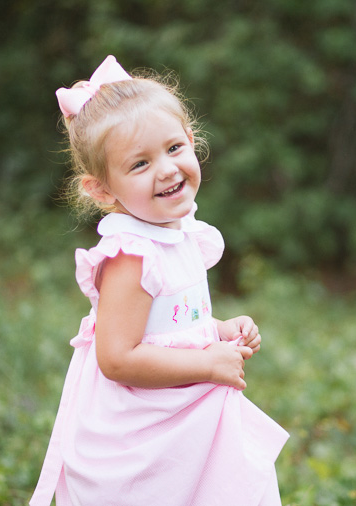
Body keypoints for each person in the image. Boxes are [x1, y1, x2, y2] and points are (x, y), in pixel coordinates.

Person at [29, 55, 288, 506]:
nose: (166, 169)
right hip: (143, 432)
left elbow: (171, 321)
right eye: (139, 164)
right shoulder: (132, 254)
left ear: (191, 141)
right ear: (102, 190)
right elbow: (118, 357)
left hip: (184, 418)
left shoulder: (179, 229)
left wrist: (219, 330)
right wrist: (209, 365)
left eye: (173, 149)